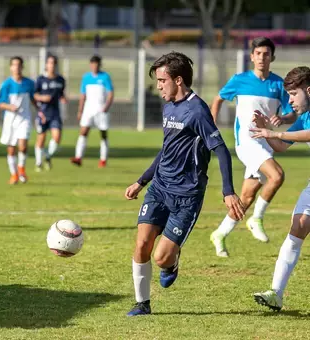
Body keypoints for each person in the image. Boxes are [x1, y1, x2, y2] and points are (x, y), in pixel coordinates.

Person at [124, 51, 245, 316]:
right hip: (159, 188)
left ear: (178, 80)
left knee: (161, 258)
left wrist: (228, 192)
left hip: (187, 195)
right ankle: (142, 303)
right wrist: (141, 181)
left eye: (162, 81)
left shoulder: (198, 111)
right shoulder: (169, 106)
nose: (158, 86)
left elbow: (221, 150)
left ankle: (172, 262)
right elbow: (166, 150)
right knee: (142, 243)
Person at [210, 37, 296, 257]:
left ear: (272, 58)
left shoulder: (278, 84)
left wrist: (282, 118)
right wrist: (210, 126)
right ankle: (256, 218)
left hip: (265, 143)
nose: (261, 58)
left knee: (247, 196)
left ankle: (220, 233)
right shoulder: (239, 80)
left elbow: (292, 112)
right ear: (251, 57)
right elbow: (218, 98)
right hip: (246, 143)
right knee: (277, 176)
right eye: (258, 53)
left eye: (266, 54)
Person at [251, 66, 310, 311]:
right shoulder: (305, 117)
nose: (290, 101)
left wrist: (273, 131)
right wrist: (266, 132)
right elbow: (282, 146)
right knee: (297, 229)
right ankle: (276, 294)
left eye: (293, 94)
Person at [71, 55, 114, 168]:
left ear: (100, 65)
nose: (94, 66)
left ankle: (103, 159)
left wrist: (106, 107)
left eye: (97, 64)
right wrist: (80, 110)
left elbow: (110, 93)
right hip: (88, 109)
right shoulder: (86, 78)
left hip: (101, 110)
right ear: (90, 65)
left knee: (103, 134)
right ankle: (78, 157)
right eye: (93, 64)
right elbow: (83, 95)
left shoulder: (105, 77)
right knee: (83, 131)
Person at [0, 56, 35, 184]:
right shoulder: (6, 84)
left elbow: (33, 99)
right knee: (11, 149)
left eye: (19, 65)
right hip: (10, 120)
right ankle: (14, 175)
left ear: (22, 67)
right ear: (10, 67)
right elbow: (1, 103)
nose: (16, 67)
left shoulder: (29, 83)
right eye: (14, 65)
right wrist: (10, 106)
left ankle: (21, 169)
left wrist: (40, 111)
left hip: (24, 118)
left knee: (23, 145)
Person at [34, 55, 67, 172]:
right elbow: (34, 95)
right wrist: (42, 97)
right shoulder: (40, 79)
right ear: (46, 65)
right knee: (41, 139)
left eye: (54, 63)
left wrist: (63, 98)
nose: (51, 65)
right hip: (42, 113)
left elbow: (61, 94)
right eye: (49, 63)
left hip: (55, 114)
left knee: (57, 138)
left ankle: (47, 156)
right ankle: (38, 163)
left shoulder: (60, 80)